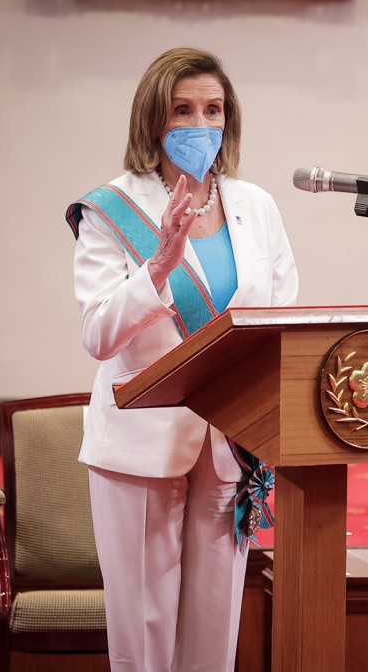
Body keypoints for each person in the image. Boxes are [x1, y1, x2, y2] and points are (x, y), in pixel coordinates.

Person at [65, 48, 298, 672]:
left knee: (215, 630)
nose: (200, 124)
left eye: (213, 110)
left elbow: (280, 318)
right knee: (144, 635)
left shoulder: (257, 206)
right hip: (140, 444)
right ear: (153, 118)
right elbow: (98, 333)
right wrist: (158, 269)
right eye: (182, 110)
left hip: (228, 441)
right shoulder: (111, 209)